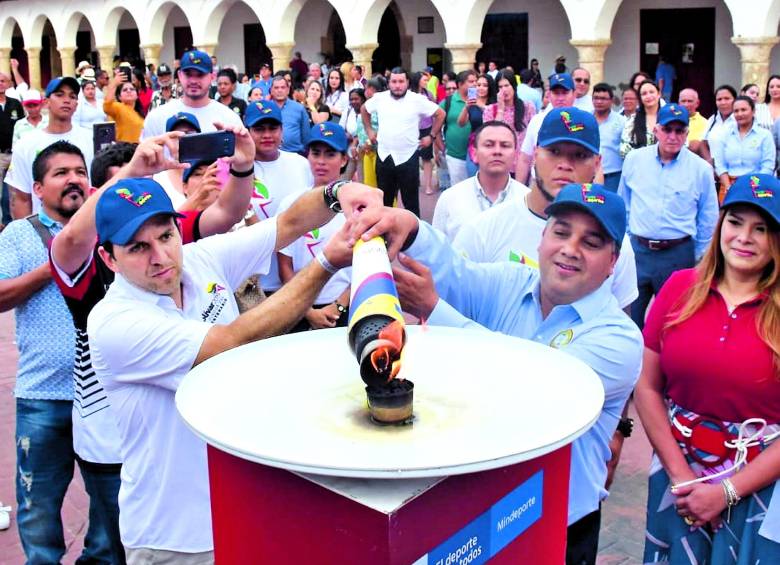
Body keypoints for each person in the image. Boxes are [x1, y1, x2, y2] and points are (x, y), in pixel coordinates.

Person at [84, 157, 379, 561]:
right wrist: (326, 263)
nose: (160, 256)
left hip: (239, 509)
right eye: (138, 247)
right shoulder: (114, 321)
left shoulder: (199, 259)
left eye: (166, 236)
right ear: (109, 259)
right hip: (174, 537)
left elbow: (286, 225)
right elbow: (228, 343)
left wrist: (339, 193)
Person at [347, 183, 642, 565]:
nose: (571, 249)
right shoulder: (512, 282)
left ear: (613, 261)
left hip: (558, 524)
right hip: (488, 510)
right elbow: (457, 272)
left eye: (592, 242)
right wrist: (411, 228)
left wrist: (435, 309)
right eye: (562, 231)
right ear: (542, 237)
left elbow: (533, 387)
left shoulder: (618, 338)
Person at [634, 173, 780, 564]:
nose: (744, 237)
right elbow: (647, 387)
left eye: (761, 228)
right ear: (720, 226)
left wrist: (727, 491)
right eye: (735, 222)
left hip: (759, 485)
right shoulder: (680, 286)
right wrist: (682, 478)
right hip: (678, 475)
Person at [0, 141, 123, 564]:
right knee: (38, 511)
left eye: (79, 172)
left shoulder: (110, 230)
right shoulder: (18, 234)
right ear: (37, 187)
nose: (74, 180)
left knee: (111, 509)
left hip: (103, 397)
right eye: (61, 173)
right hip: (42, 396)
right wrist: (61, 260)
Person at [455, 107, 638, 313]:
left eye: (579, 155)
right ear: (535, 154)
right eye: (554, 151)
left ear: (597, 164)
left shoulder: (613, 244)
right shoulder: (483, 230)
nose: (565, 165)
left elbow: (618, 325)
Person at [619, 103, 718, 329]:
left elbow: (708, 216)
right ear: (656, 130)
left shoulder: (700, 169)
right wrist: (626, 242)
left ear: (686, 134)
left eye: (679, 130)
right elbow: (624, 204)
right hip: (639, 252)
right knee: (628, 320)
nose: (673, 136)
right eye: (667, 129)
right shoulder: (634, 160)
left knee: (674, 323)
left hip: (678, 254)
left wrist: (699, 255)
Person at [278, 122, 352, 332]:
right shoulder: (291, 204)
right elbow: (285, 266)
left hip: (344, 305)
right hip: (297, 307)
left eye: (330, 154)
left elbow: (362, 268)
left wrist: (338, 306)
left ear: (344, 159)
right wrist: (307, 311)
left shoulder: (356, 207)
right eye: (316, 153)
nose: (321, 161)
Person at [243, 100, 314, 296]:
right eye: (259, 129)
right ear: (247, 131)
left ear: (282, 130)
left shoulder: (301, 164)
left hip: (297, 277)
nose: (267, 135)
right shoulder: (238, 170)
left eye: (273, 128)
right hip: (255, 283)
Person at [361, 67, 444, 217]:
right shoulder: (380, 98)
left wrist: (431, 136)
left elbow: (440, 114)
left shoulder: (417, 99)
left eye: (401, 81)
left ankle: (413, 237)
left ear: (407, 82)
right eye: (394, 81)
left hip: (408, 157)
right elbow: (364, 110)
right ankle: (385, 235)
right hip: (384, 156)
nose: (397, 85)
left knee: (411, 204)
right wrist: (369, 130)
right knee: (384, 203)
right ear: (389, 83)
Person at [7, 77, 94, 219]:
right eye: (59, 95)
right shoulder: (25, 144)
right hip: (43, 231)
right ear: (46, 102)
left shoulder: (91, 139)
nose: (67, 100)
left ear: (76, 105)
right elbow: (21, 198)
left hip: (85, 228)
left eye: (72, 96)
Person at [432, 121, 528, 240]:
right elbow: (437, 248)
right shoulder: (450, 198)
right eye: (489, 145)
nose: (497, 151)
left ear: (516, 154)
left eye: (505, 145)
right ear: (474, 153)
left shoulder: (527, 200)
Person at [141, 50, 243, 139]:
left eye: (200, 75)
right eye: (188, 74)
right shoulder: (157, 117)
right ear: (180, 75)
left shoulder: (229, 119)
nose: (193, 81)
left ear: (212, 77)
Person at [516, 73, 576, 184]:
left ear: (574, 94)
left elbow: (595, 164)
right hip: (539, 184)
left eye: (565, 93)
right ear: (549, 94)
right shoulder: (537, 121)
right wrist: (518, 191)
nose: (560, 98)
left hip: (572, 185)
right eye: (556, 93)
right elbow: (525, 159)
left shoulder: (583, 122)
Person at [712, 96, 775, 202]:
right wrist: (728, 186)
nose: (740, 114)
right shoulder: (724, 134)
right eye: (736, 111)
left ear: (753, 111)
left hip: (756, 185)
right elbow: (719, 164)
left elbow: (768, 165)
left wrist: (752, 186)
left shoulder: (765, 135)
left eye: (743, 110)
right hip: (729, 185)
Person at [481, 70, 535, 175]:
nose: (504, 90)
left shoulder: (527, 107)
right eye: (500, 87)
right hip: (500, 164)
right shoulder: (490, 110)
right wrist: (500, 110)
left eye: (507, 85)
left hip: (523, 166)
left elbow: (533, 137)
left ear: (513, 86)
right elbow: (491, 135)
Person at [153, 112, 201, 209]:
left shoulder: (214, 171)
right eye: (175, 136)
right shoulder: (157, 179)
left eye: (189, 134)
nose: (182, 140)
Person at [439, 70, 477, 185]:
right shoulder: (447, 103)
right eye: (471, 81)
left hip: (477, 157)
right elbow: (435, 129)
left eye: (476, 81)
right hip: (455, 156)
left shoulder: (480, 99)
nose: (475, 84)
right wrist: (442, 149)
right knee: (459, 190)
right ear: (460, 84)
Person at [459, 73, 495, 178]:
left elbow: (496, 120)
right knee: (472, 176)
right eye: (478, 85)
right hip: (474, 145)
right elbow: (461, 123)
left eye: (485, 85)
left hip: (492, 144)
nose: (481, 88)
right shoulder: (472, 102)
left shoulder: (495, 103)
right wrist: (466, 107)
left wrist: (481, 106)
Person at [592, 83, 626, 192]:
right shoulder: (586, 120)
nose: (599, 101)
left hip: (613, 176)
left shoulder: (622, 122)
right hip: (590, 175)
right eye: (596, 98)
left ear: (611, 101)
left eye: (603, 98)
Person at [0, 70, 23, 226]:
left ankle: (9, 222)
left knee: (11, 191)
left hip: (13, 154)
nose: (0, 83)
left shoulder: (15, 104)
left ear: (8, 84)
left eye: (3, 81)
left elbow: (22, 126)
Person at [268, 75, 310, 154]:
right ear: (271, 91)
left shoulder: (299, 108)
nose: (279, 90)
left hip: (295, 154)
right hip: (270, 155)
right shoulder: (265, 108)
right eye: (276, 88)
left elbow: (306, 136)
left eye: (283, 87)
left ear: (288, 90)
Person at [619, 80, 661, 159]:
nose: (648, 96)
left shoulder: (668, 117)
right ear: (640, 98)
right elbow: (624, 151)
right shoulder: (632, 120)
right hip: (640, 168)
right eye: (644, 94)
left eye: (651, 92)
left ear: (659, 94)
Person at [410, 72, 437, 195]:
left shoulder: (428, 94)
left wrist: (433, 133)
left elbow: (435, 111)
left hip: (426, 128)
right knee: (412, 157)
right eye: (424, 80)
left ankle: (428, 185)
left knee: (427, 158)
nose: (426, 82)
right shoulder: (409, 95)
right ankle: (413, 182)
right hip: (411, 128)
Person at [355, 77, 385, 188]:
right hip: (366, 151)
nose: (365, 91)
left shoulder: (380, 107)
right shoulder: (366, 105)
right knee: (369, 185)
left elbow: (381, 127)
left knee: (381, 184)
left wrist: (369, 142)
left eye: (368, 88)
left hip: (377, 150)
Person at [104, 71, 145, 143]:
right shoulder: (119, 108)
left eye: (132, 89)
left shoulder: (139, 114)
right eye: (125, 90)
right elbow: (107, 106)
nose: (129, 91)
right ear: (119, 97)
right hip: (124, 150)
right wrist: (114, 84)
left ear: (137, 95)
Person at [703, 84, 737, 162]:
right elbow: (703, 142)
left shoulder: (739, 120)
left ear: (735, 100)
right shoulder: (713, 119)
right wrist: (708, 160)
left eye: (727, 98)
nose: (723, 102)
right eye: (719, 99)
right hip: (713, 169)